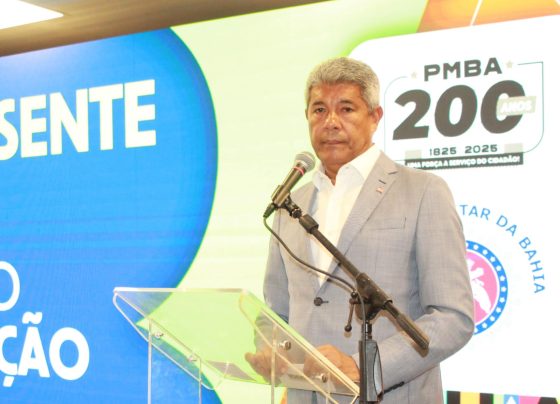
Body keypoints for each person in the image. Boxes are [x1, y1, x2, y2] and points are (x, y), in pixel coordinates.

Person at [251, 57, 474, 403]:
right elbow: (276, 312)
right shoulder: (289, 206)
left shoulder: (423, 192)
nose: (331, 122)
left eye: (346, 109)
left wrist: (363, 367)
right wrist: (269, 347)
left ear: (375, 117)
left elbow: (452, 317)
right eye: (319, 110)